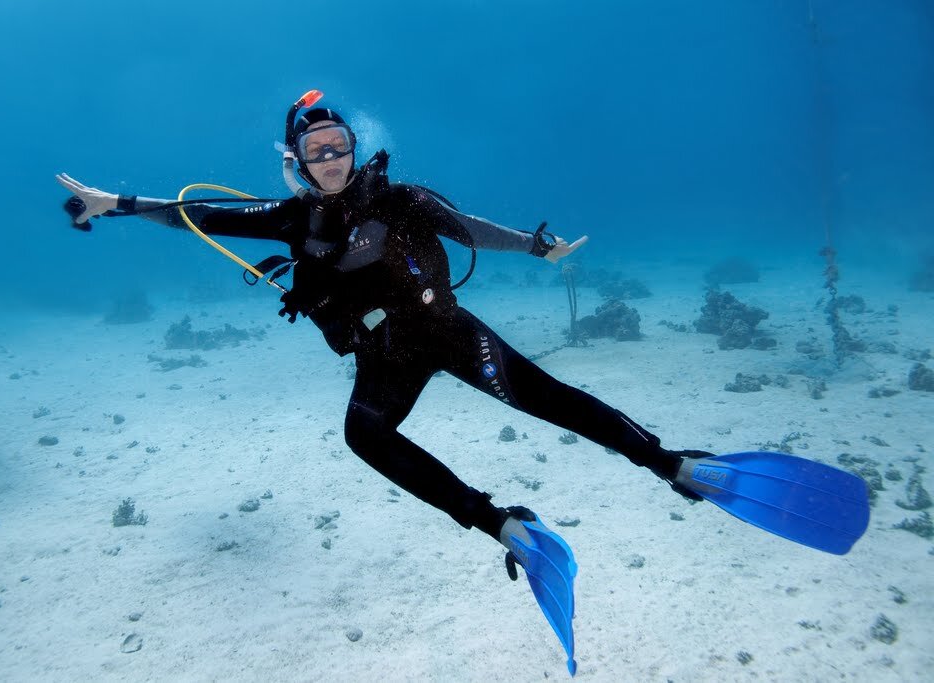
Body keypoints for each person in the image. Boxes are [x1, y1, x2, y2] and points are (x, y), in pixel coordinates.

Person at [57, 98, 713, 674]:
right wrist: (112, 204)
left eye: (339, 144)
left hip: (450, 330)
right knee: (362, 432)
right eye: (316, 150)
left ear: (353, 146)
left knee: (548, 397)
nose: (332, 158)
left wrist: (537, 248)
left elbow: (471, 229)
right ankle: (503, 524)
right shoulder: (291, 218)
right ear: (298, 161)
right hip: (386, 357)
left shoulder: (400, 199)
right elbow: (194, 215)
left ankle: (669, 462)